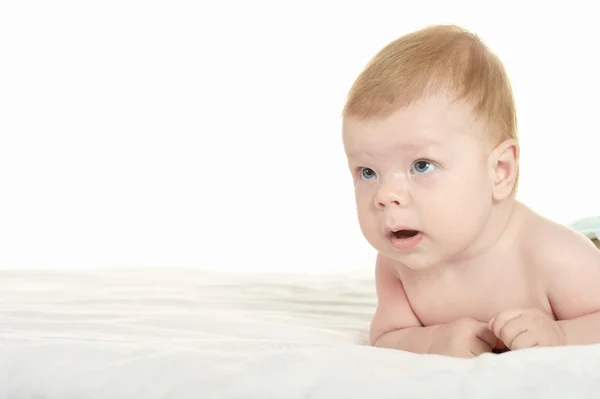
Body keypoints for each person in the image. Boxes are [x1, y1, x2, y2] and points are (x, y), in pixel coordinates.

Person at [341, 24, 600, 358]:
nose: (385, 195)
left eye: (422, 165)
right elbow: (389, 334)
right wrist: (434, 340)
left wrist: (562, 334)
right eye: (368, 172)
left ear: (500, 171)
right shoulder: (397, 263)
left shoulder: (553, 255)